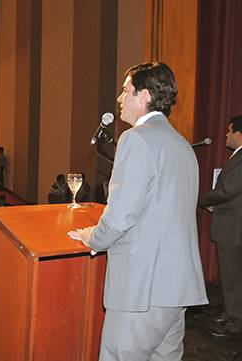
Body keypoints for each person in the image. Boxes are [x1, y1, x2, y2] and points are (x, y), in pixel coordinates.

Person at [68, 62, 208, 361]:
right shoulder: (182, 145)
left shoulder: (137, 139)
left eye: (125, 91)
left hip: (142, 289)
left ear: (144, 96)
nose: (119, 99)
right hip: (176, 286)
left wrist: (91, 237)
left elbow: (121, 215)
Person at [198, 115, 242, 338]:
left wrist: (201, 200)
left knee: (232, 277)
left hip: (233, 229)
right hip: (231, 224)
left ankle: (235, 324)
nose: (226, 135)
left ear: (239, 134)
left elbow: (227, 191)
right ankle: (232, 313)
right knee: (233, 276)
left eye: (229, 131)